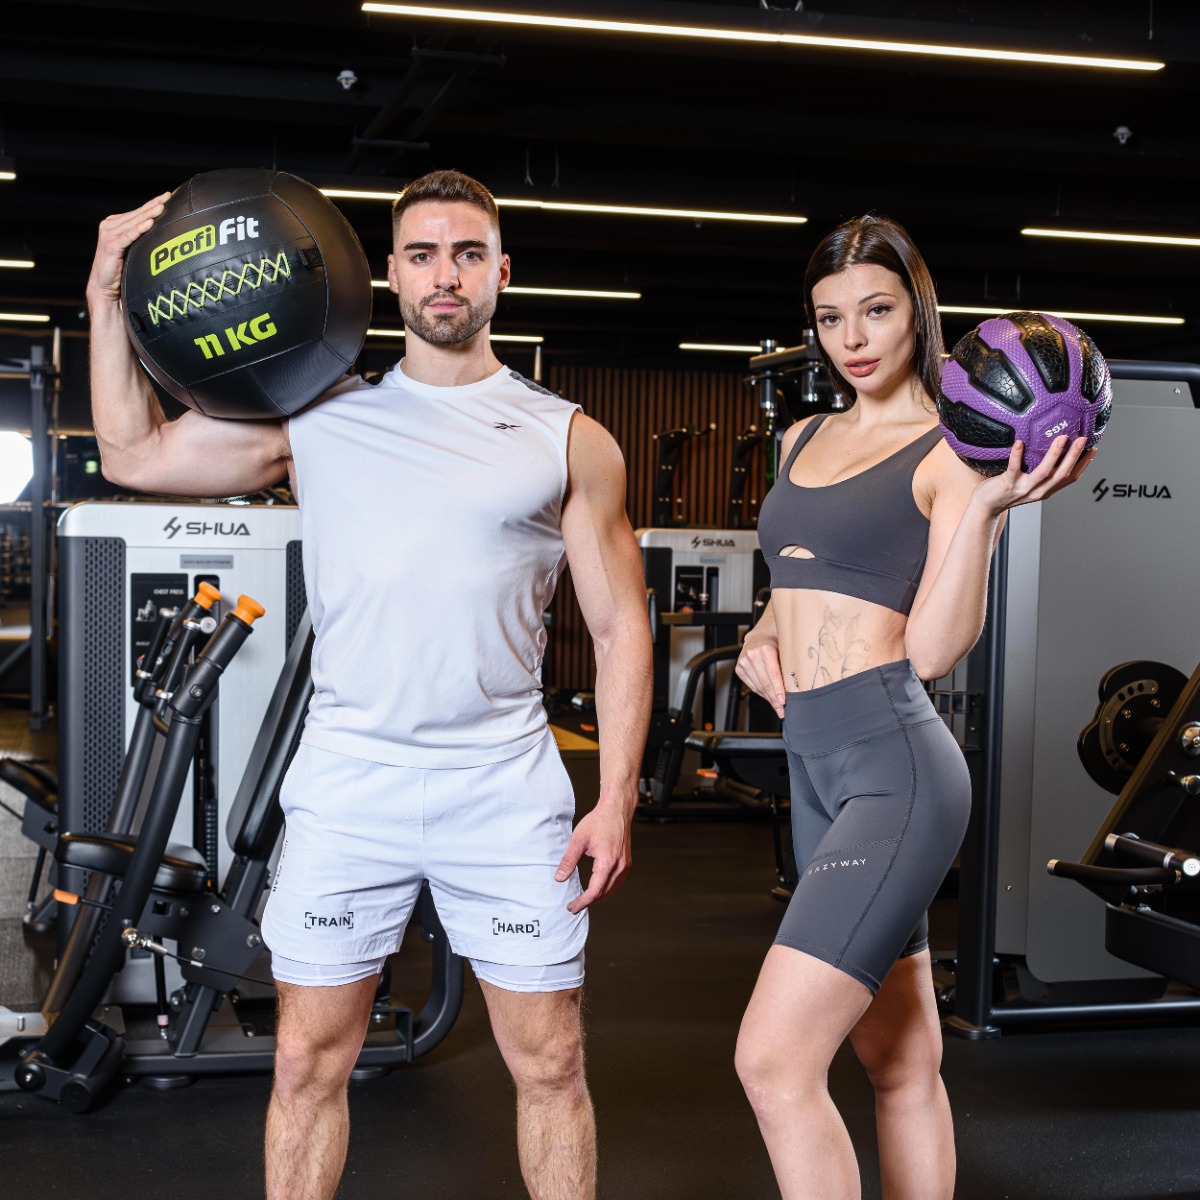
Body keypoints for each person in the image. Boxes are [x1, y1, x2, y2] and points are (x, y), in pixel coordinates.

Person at [86, 168, 653, 1200]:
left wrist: (614, 798)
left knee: (552, 1063)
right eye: (424, 255)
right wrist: (105, 295)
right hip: (351, 785)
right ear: (389, 274)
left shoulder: (568, 437)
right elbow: (133, 454)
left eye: (469, 254)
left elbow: (620, 629)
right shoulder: (315, 418)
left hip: (504, 785)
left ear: (503, 272)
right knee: (308, 1062)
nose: (448, 276)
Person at [733, 214, 1093, 1200]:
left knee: (773, 1062)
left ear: (918, 313)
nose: (853, 339)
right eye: (831, 318)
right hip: (812, 760)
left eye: (877, 311)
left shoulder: (954, 452)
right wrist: (762, 636)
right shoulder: (803, 436)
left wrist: (984, 512)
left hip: (892, 766)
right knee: (897, 1060)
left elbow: (933, 650)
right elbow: (795, 582)